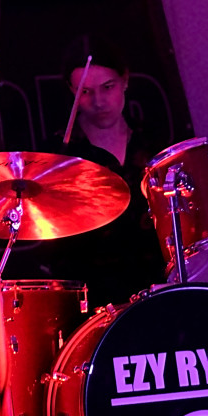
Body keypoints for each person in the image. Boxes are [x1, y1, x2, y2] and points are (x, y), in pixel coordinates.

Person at [47, 35, 167, 308]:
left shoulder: (154, 144)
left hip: (159, 290)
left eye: (107, 87)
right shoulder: (57, 157)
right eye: (86, 92)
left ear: (125, 80)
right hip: (93, 301)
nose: (98, 101)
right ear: (71, 90)